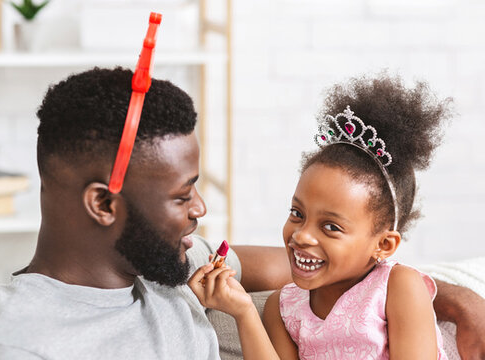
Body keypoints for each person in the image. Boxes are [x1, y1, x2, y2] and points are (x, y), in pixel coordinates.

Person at [0, 67, 485, 359]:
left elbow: (339, 271)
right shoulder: (23, 346)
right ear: (103, 203)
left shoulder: (172, 260)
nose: (201, 210)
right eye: (181, 196)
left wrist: (460, 301)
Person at [188, 73, 451, 359]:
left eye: (331, 226)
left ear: (383, 245)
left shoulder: (398, 287)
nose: (301, 235)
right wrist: (244, 312)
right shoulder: (283, 308)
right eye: (297, 213)